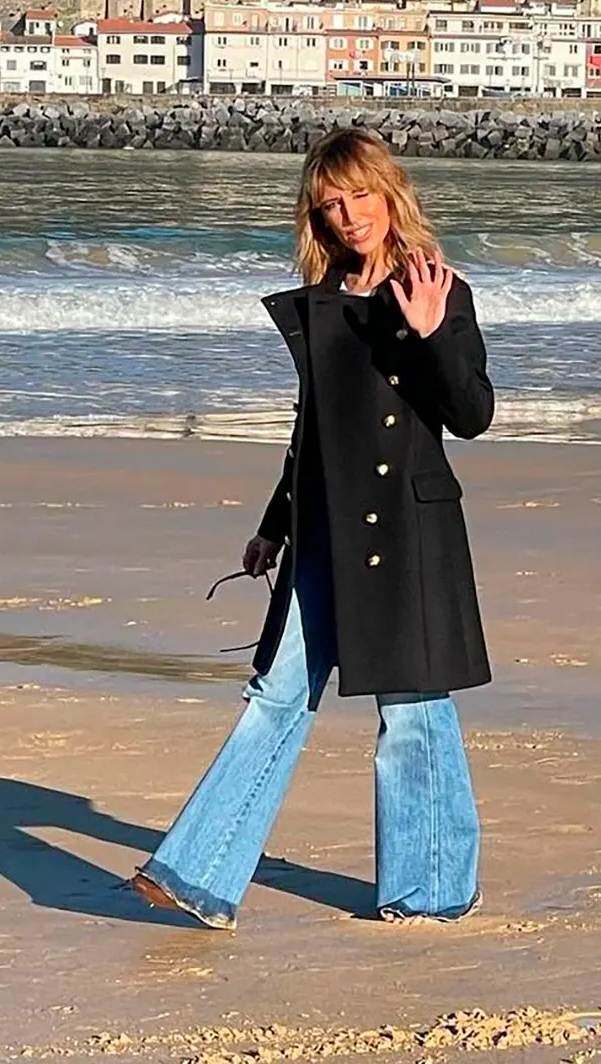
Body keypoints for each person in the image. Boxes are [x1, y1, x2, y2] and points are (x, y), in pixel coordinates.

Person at [131, 128, 494, 930]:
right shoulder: (324, 299)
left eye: (358, 196)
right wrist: (274, 522)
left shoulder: (437, 287)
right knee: (275, 695)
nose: (347, 215)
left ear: (388, 191)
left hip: (405, 532)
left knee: (411, 707)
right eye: (329, 205)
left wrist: (431, 334)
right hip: (324, 533)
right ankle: (197, 874)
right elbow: (316, 431)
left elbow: (471, 414)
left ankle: (431, 890)